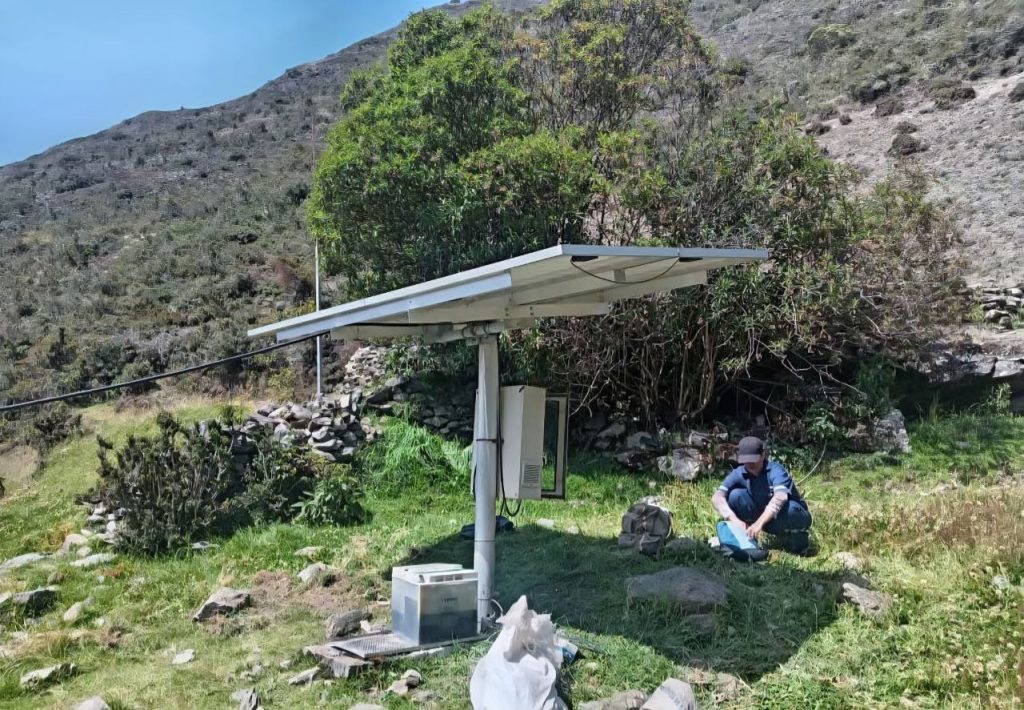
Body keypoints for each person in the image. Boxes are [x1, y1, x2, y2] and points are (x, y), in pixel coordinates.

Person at [711, 436, 812, 555]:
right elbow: (717, 497)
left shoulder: (776, 470)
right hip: (763, 517)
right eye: (746, 460)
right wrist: (733, 519)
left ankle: (799, 544)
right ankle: (747, 540)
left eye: (753, 459)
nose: (750, 463)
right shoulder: (738, 473)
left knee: (791, 509)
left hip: (788, 516)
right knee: (735, 496)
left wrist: (759, 524)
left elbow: (780, 497)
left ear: (763, 455)